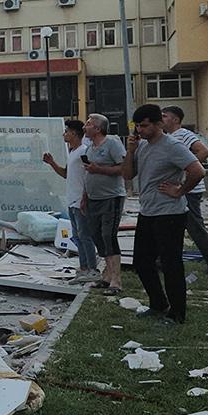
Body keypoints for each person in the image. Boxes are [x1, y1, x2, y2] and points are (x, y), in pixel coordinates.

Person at [122, 104, 205, 328]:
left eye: (145, 126)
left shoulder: (172, 146)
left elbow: (198, 171)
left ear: (159, 124)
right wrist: (130, 150)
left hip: (170, 213)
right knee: (141, 262)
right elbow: (128, 174)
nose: (140, 130)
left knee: (171, 265)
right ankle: (159, 303)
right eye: (137, 126)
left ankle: (177, 314)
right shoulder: (142, 146)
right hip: (147, 212)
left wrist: (180, 190)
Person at [161, 106, 208, 274]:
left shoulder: (184, 134)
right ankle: (162, 261)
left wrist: (187, 166)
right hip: (174, 189)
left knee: (195, 228)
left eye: (165, 116)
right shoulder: (168, 138)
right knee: (167, 226)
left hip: (189, 189)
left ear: (175, 120)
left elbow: (204, 152)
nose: (162, 119)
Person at [42, 120, 99, 284]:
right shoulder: (73, 152)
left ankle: (93, 269)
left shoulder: (83, 151)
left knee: (84, 235)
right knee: (77, 236)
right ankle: (84, 267)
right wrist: (52, 163)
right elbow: (67, 174)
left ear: (74, 133)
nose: (64, 134)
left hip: (80, 201)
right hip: (72, 200)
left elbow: (89, 177)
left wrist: (84, 198)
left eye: (66, 131)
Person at [82, 113, 126, 292]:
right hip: (94, 198)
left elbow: (123, 168)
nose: (84, 127)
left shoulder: (113, 144)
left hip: (111, 197)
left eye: (88, 124)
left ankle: (116, 279)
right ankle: (107, 275)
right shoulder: (89, 148)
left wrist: (98, 169)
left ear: (98, 128)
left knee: (109, 235)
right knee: (97, 235)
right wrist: (84, 198)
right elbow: (88, 174)